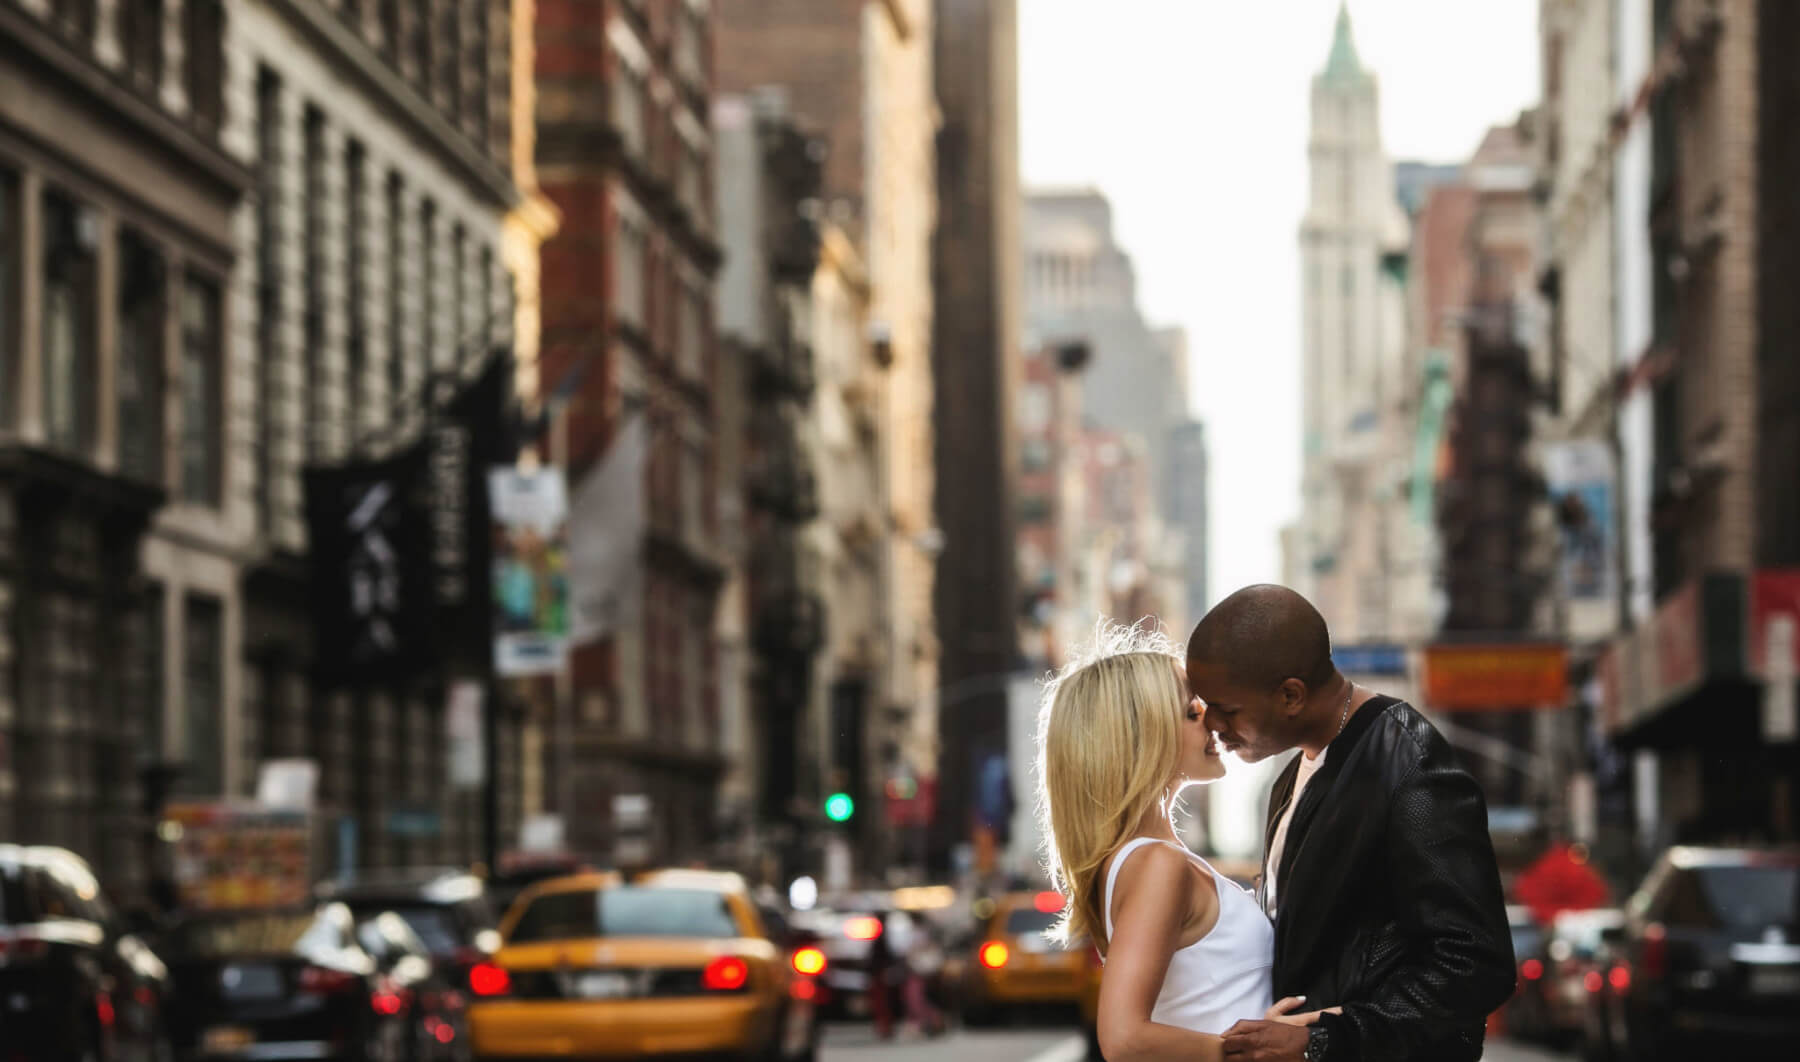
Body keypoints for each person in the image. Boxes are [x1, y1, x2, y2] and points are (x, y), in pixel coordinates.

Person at [1186, 585, 1516, 1062]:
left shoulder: (1409, 763)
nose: (1211, 722)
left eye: (1228, 708)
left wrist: (1324, 1041)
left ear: (1291, 695)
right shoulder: (1289, 780)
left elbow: (1476, 962)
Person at [1037, 623, 1329, 1062]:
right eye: (1192, 713)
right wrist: (1252, 1050)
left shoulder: (1151, 859)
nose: (1213, 721)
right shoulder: (1157, 864)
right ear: (1142, 737)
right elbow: (1123, 1038)